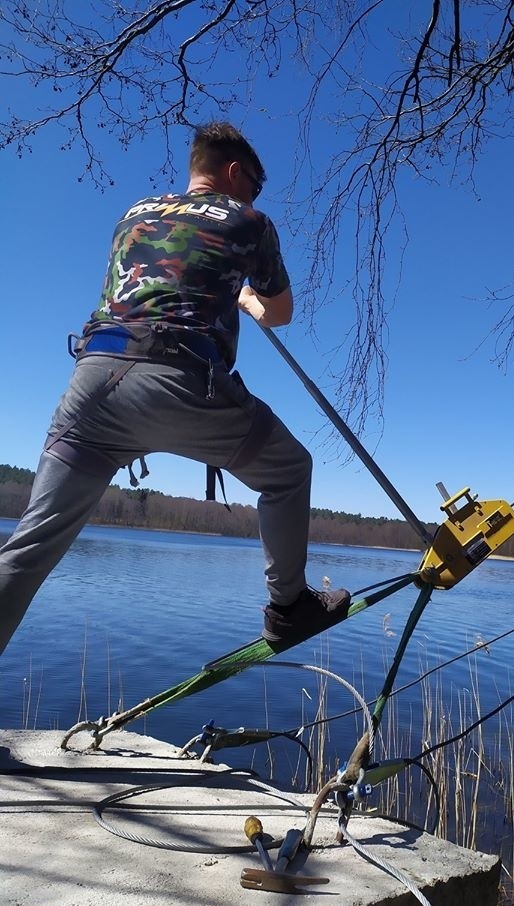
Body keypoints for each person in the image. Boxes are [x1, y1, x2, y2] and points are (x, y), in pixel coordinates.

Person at [0, 121, 350, 657]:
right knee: (288, 470)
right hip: (181, 379)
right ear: (234, 172)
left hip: (94, 379)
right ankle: (288, 608)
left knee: (28, 548)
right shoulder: (248, 221)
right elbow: (280, 312)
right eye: (255, 183)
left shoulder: (132, 215)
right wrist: (249, 301)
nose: (256, 195)